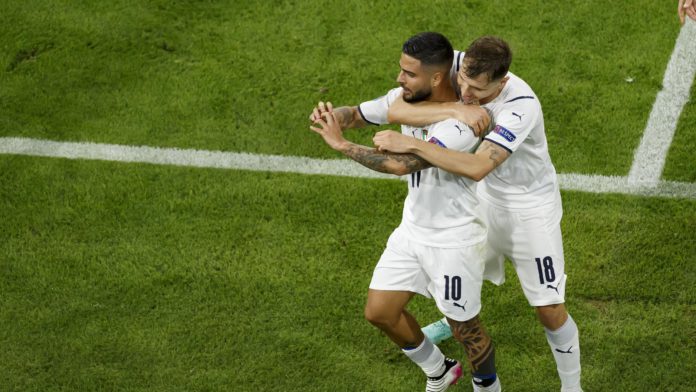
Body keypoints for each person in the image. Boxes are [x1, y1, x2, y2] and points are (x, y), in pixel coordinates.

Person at [374, 36, 583, 392]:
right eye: (463, 82)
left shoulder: (520, 105)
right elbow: (396, 108)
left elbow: (475, 166)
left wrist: (411, 143)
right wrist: (453, 110)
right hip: (479, 201)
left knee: (548, 308)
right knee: (457, 272)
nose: (465, 92)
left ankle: (571, 386)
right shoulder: (457, 65)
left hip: (528, 209)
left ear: (501, 83)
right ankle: (450, 317)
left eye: (476, 88)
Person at [309, 32, 500, 392]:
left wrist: (341, 144)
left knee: (466, 330)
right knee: (379, 312)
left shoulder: (461, 125)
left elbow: (401, 165)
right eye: (401, 70)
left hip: (454, 240)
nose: (400, 79)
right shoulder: (407, 100)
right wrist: (333, 116)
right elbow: (361, 114)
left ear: (437, 78)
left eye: (409, 74)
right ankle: (439, 370)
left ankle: (488, 387)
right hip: (413, 230)